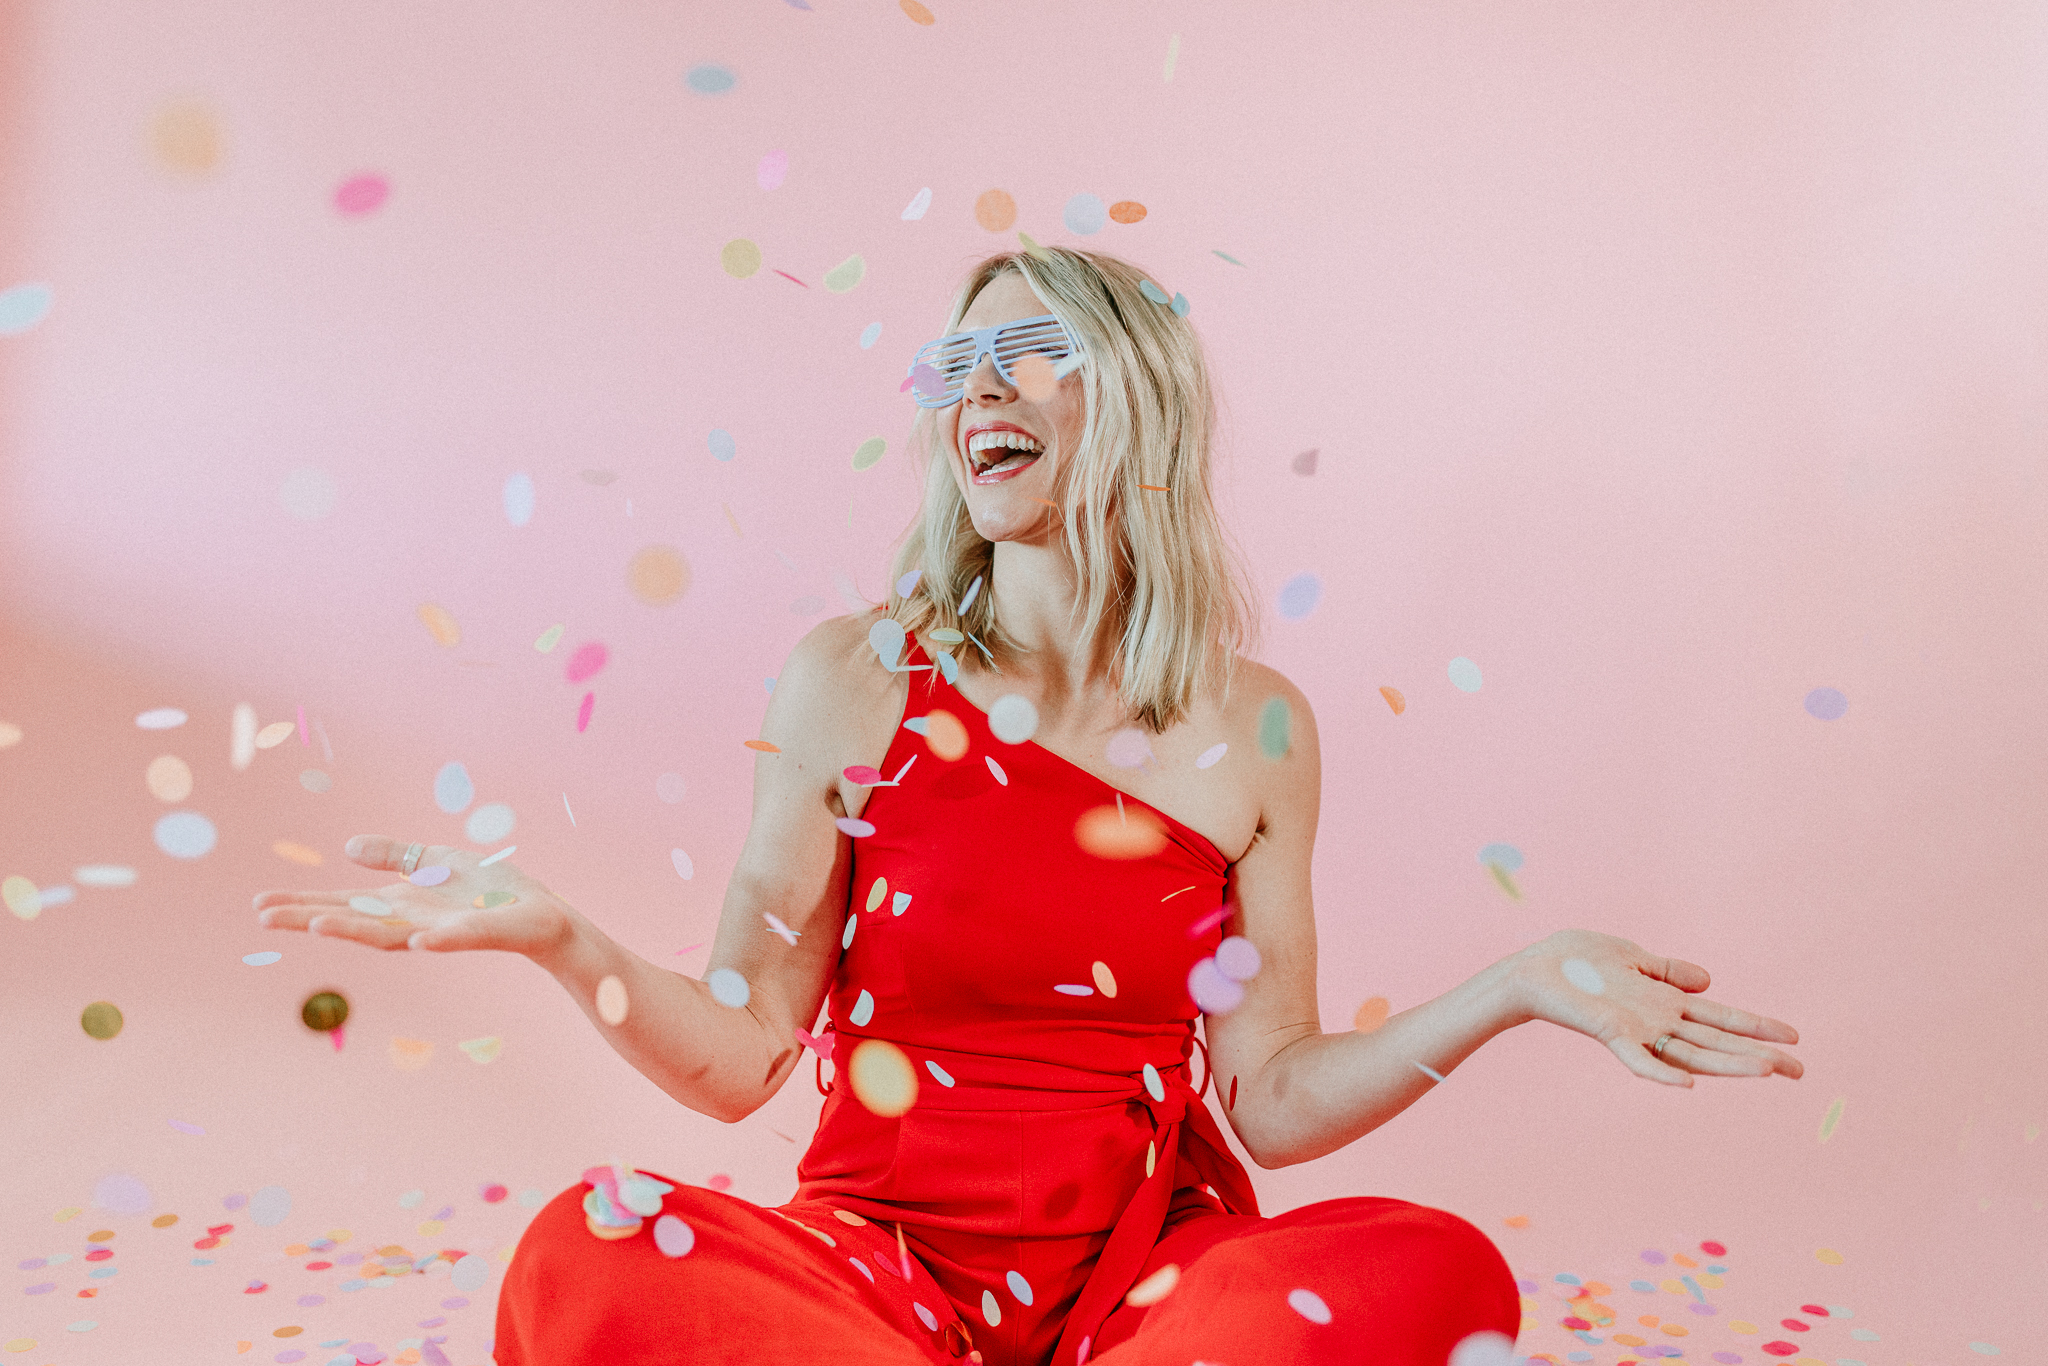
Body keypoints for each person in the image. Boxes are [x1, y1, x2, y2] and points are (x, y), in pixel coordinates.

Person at [252, 246, 1804, 1366]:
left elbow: (1269, 1095)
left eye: (1026, 349)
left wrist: (1519, 984)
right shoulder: (853, 681)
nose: (972, 389)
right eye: (954, 366)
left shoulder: (1258, 728)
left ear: (1131, 397)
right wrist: (554, 932)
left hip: (1147, 1292)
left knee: (1435, 1268)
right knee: (588, 1252)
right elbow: (738, 1055)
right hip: (874, 1278)